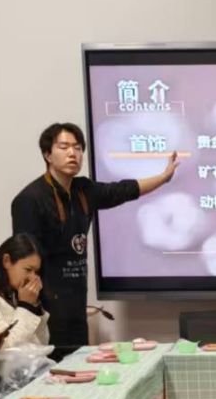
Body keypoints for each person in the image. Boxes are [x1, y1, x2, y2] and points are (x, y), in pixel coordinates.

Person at [9, 122, 179, 351]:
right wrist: (29, 304)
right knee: (52, 366)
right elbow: (23, 260)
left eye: (78, 148)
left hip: (76, 301)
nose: (73, 153)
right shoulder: (30, 199)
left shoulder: (83, 190)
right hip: (45, 307)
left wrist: (163, 177)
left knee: (78, 361)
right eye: (64, 147)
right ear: (47, 155)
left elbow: (124, 190)